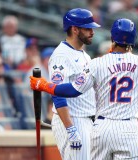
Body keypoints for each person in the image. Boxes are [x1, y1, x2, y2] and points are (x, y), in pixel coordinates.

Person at [30, 18, 138, 159]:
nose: (92, 32)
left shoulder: (97, 63)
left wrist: (44, 85)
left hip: (101, 127)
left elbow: (72, 90)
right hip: (128, 127)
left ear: (112, 37)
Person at [43, 8, 100, 160]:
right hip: (74, 119)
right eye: (88, 28)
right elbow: (57, 93)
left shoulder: (84, 54)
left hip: (86, 119)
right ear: (75, 29)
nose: (92, 32)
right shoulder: (61, 55)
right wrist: (71, 128)